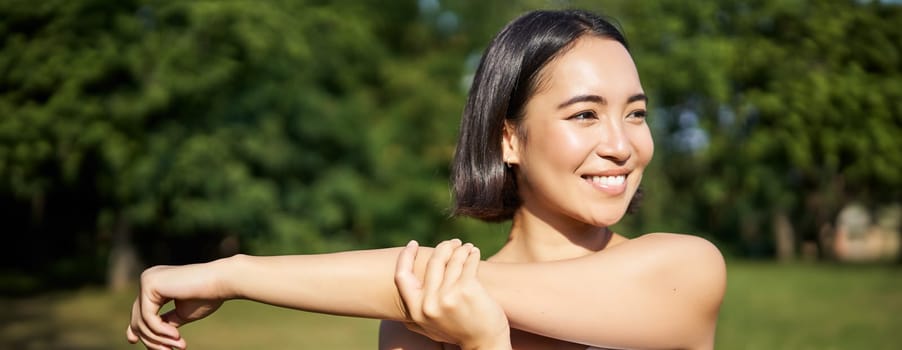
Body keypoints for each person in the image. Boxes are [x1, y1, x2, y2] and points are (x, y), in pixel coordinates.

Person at [126, 9, 726, 350]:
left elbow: (446, 288)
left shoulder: (685, 270)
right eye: (585, 114)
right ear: (507, 138)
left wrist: (232, 275)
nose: (622, 144)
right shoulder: (418, 317)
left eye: (637, 113)